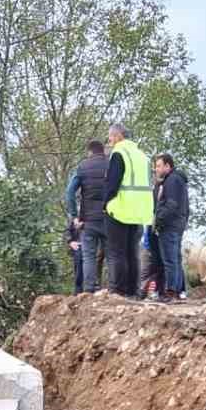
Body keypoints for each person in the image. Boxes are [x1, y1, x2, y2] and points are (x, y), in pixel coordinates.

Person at [103, 123, 154, 297]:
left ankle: (119, 290)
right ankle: (133, 291)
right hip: (140, 211)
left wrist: (106, 204)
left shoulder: (119, 153)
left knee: (117, 252)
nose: (109, 141)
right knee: (133, 252)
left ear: (118, 136)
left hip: (121, 208)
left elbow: (112, 183)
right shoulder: (143, 156)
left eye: (110, 137)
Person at [64, 139, 109, 293]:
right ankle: (115, 290)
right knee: (112, 255)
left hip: (88, 220)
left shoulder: (83, 166)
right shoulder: (111, 164)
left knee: (88, 256)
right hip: (109, 218)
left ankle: (89, 290)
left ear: (89, 152)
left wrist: (74, 216)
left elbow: (70, 192)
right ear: (103, 151)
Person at [153, 154, 190, 301]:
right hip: (177, 224)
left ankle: (171, 292)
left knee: (170, 260)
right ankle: (179, 292)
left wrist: (158, 219)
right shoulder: (176, 180)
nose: (156, 169)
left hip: (170, 225)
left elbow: (171, 204)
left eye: (159, 166)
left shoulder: (172, 180)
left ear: (168, 166)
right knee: (175, 258)